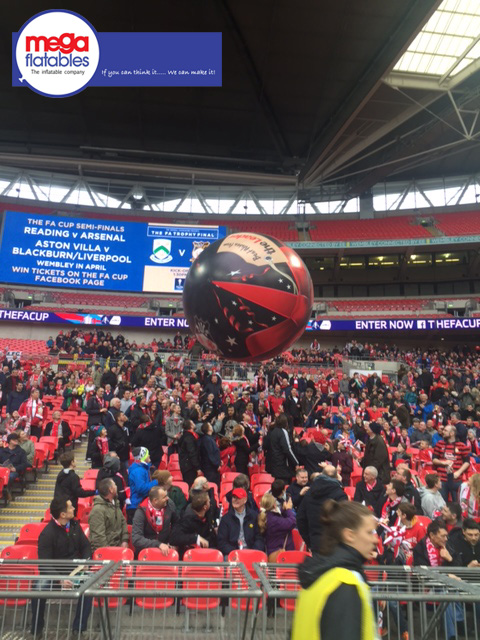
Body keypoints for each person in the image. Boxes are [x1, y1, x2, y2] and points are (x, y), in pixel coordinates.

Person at [292, 500, 378, 640]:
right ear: (349, 535)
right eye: (369, 532)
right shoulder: (346, 584)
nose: (375, 540)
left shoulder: (318, 576)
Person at [31, 497, 92, 637]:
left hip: (75, 571)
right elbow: (44, 564)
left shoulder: (75, 526)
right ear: (63, 515)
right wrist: (60, 579)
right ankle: (36, 630)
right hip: (53, 575)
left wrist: (85, 562)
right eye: (70, 507)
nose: (74, 509)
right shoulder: (47, 534)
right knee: (38, 588)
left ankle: (78, 629)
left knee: (90, 584)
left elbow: (86, 546)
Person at [413, 519, 462, 640]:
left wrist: (450, 559)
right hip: (428, 587)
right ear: (432, 535)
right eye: (443, 536)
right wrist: (445, 577)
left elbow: (459, 568)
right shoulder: (420, 548)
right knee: (446, 594)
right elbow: (424, 573)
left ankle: (455, 625)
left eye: (446, 535)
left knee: (449, 592)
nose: (446, 538)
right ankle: (453, 632)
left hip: (447, 585)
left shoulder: (447, 545)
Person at [297, 464, 348, 552]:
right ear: (336, 476)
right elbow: (344, 521)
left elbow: (300, 519)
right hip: (335, 545)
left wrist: (309, 541)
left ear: (322, 474)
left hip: (315, 543)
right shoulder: (340, 494)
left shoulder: (309, 492)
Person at [132, 485, 179, 557]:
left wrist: (172, 541)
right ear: (155, 501)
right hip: (146, 554)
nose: (167, 498)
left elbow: (176, 523)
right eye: (164, 497)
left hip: (166, 552)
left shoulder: (169, 504)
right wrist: (158, 544)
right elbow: (136, 539)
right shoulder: (141, 512)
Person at [217, 487, 264, 557]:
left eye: (238, 498)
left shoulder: (254, 516)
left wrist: (254, 551)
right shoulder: (226, 519)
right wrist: (234, 552)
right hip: (233, 554)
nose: (235, 500)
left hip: (252, 552)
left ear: (245, 500)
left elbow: (260, 538)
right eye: (233, 497)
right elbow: (221, 542)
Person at [171, 491, 217, 558]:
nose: (210, 503)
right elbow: (174, 538)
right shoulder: (186, 519)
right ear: (205, 507)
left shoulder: (208, 515)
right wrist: (196, 538)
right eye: (209, 502)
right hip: (189, 556)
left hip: (208, 551)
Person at [88, 478, 129, 552]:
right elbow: (99, 539)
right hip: (105, 553)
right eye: (115, 485)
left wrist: (124, 540)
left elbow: (123, 523)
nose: (117, 486)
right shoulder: (97, 510)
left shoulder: (115, 504)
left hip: (118, 548)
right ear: (111, 489)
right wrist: (109, 552)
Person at [433, 425, 470, 502]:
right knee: (442, 504)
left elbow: (467, 462)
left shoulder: (462, 446)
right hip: (441, 480)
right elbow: (434, 460)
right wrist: (444, 463)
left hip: (456, 479)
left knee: (457, 503)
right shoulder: (439, 444)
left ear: (452, 433)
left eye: (445, 430)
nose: (443, 432)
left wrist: (458, 472)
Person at [258, 492, 296, 561]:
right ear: (274, 505)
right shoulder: (274, 521)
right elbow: (292, 522)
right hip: (280, 555)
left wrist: (284, 510)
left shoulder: (264, 516)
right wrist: (288, 509)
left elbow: (279, 518)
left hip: (271, 551)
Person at [127, 446, 158, 523]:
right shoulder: (138, 470)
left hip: (139, 505)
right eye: (147, 454)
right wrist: (156, 482)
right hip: (136, 506)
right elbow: (141, 488)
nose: (149, 456)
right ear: (143, 457)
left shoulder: (142, 469)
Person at [268, 413, 299, 481]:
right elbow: (287, 449)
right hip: (283, 465)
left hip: (274, 463)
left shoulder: (273, 432)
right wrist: (296, 462)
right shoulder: (283, 432)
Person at [0, 431, 28, 497]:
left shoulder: (21, 451)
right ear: (9, 441)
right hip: (3, 470)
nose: (16, 440)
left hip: (14, 470)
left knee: (10, 476)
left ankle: (7, 491)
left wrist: (15, 468)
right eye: (14, 439)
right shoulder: (2, 451)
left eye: (16, 439)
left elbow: (24, 464)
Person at [178, 420, 202, 487]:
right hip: (189, 467)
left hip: (185, 465)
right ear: (191, 426)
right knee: (191, 486)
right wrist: (197, 468)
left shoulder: (184, 436)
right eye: (193, 423)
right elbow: (192, 453)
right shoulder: (189, 438)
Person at [199, 421, 221, 486]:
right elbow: (210, 454)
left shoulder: (209, 438)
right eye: (210, 425)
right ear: (208, 428)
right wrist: (217, 464)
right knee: (212, 485)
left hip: (211, 467)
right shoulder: (207, 440)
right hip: (210, 468)